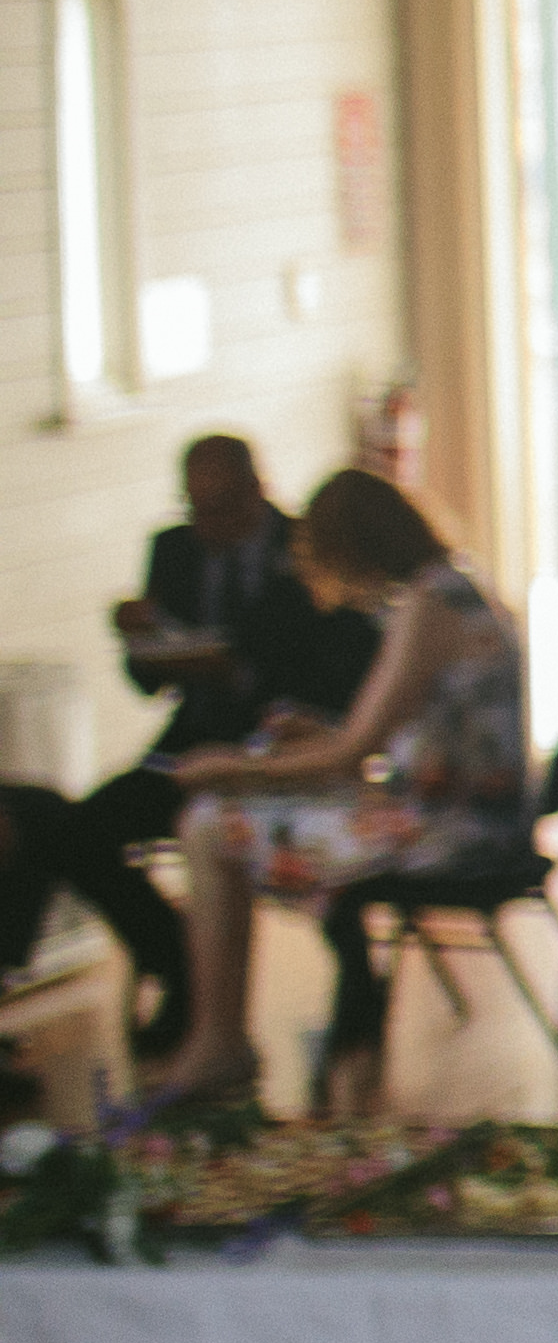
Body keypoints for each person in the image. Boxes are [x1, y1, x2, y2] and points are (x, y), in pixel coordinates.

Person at [147, 471, 528, 1112]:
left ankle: (219, 1041)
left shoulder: (427, 608)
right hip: (464, 814)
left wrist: (229, 767)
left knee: (209, 822)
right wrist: (316, 734)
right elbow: (391, 739)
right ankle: (234, 1034)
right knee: (234, 812)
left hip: (448, 833)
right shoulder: (458, 588)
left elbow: (352, 755)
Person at [1, 434, 372, 1051]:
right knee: (80, 831)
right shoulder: (173, 550)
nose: (204, 525)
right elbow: (149, 679)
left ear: (256, 492)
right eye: (195, 507)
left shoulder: (303, 548)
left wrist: (228, 665)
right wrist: (141, 638)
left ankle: (358, 986)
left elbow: (311, 666)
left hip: (285, 748)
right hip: (191, 743)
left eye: (218, 508)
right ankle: (179, 965)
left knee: (311, 836)